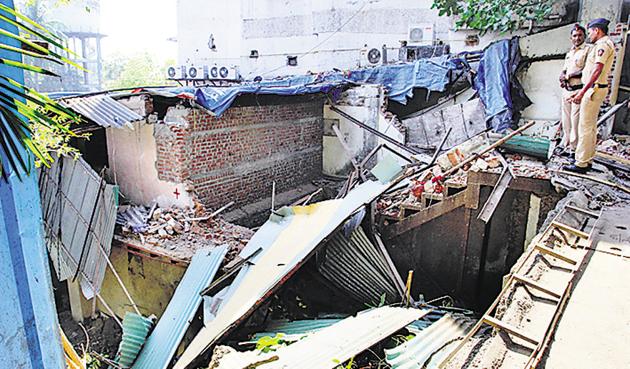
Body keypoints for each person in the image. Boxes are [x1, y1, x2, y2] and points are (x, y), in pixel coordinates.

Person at [564, 18, 615, 174]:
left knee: (585, 127)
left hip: (593, 89)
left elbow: (597, 70)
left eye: (591, 32)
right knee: (590, 128)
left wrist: (582, 91)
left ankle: (581, 163)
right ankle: (587, 158)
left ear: (597, 30)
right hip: (594, 88)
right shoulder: (602, 45)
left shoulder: (602, 46)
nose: (590, 35)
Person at [558, 24, 590, 156]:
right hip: (567, 90)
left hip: (578, 90)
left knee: (575, 121)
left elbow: (588, 70)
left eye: (580, 35)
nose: (577, 38)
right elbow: (566, 69)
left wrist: (570, 75)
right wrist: (562, 75)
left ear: (584, 36)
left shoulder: (588, 50)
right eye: (574, 36)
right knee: (566, 121)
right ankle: (566, 146)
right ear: (571, 38)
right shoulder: (570, 52)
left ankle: (574, 150)